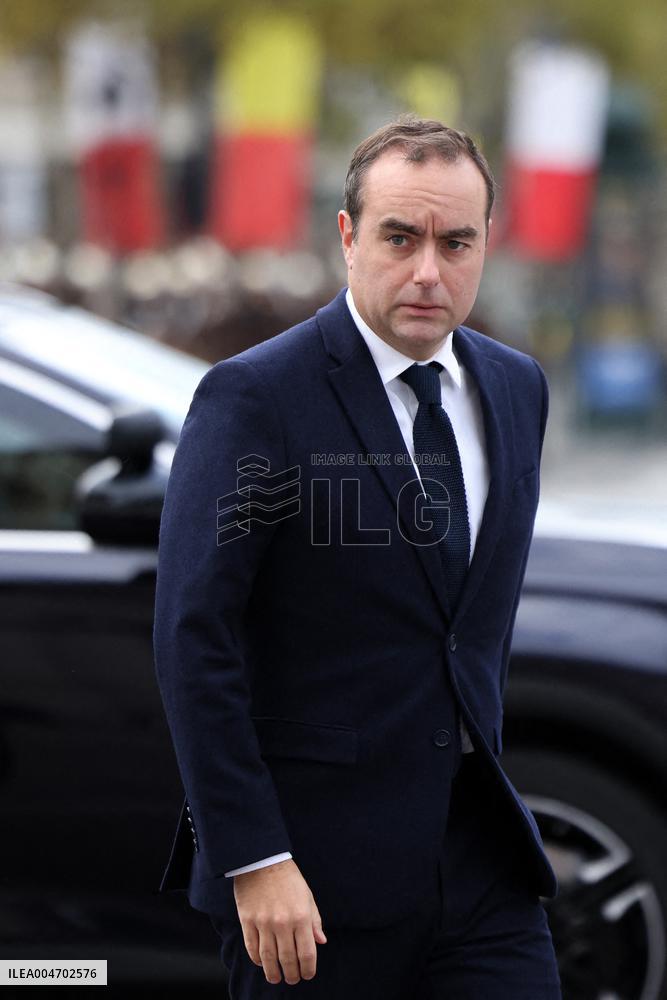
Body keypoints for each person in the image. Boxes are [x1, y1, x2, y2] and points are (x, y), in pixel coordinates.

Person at [153, 115, 562, 999]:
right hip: (308, 882)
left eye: (455, 242)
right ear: (346, 237)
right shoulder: (255, 398)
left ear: (486, 242)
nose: (427, 271)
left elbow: (460, 630)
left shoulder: (516, 388)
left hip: (482, 867)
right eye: (399, 237)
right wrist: (253, 857)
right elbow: (195, 638)